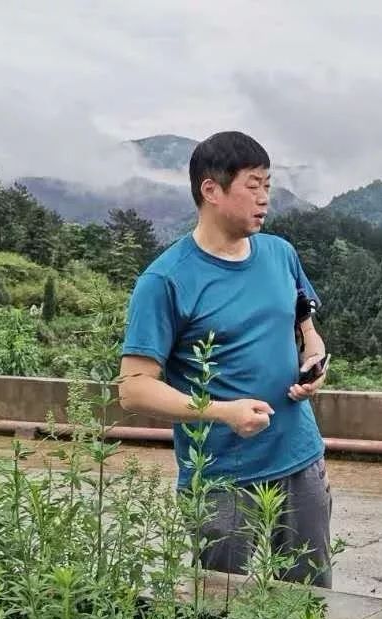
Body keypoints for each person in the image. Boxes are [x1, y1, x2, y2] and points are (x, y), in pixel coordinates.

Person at [118, 131, 332, 587]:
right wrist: (223, 412)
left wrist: (315, 358)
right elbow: (133, 388)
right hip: (221, 477)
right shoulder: (166, 280)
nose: (264, 198)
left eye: (268, 185)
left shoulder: (280, 254)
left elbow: (306, 327)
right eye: (253, 186)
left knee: (312, 600)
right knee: (222, 606)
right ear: (211, 190)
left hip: (299, 457)